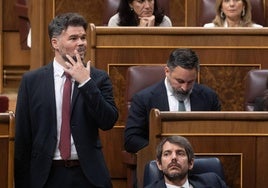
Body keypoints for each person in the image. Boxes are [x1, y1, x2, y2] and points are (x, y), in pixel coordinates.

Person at [14, 12, 119, 188]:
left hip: (87, 175)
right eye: (73, 38)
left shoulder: (98, 78)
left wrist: (86, 82)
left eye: (83, 38)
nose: (81, 43)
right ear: (55, 43)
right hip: (46, 176)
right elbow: (23, 139)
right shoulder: (31, 81)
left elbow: (108, 121)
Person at [124, 48, 221, 153]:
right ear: (167, 71)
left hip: (198, 159)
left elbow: (217, 136)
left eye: (190, 82)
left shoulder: (209, 97)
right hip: (160, 163)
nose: (184, 88)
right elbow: (131, 139)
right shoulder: (144, 99)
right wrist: (164, 152)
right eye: (180, 81)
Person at [145, 135, 227, 188]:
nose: (174, 157)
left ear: (190, 163)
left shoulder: (213, 182)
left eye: (180, 153)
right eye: (167, 154)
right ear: (159, 164)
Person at [108, 0, 172, 27]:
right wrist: (140, 31)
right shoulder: (115, 21)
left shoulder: (164, 21)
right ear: (130, 4)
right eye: (140, 1)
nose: (147, 6)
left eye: (150, 0)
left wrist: (153, 32)